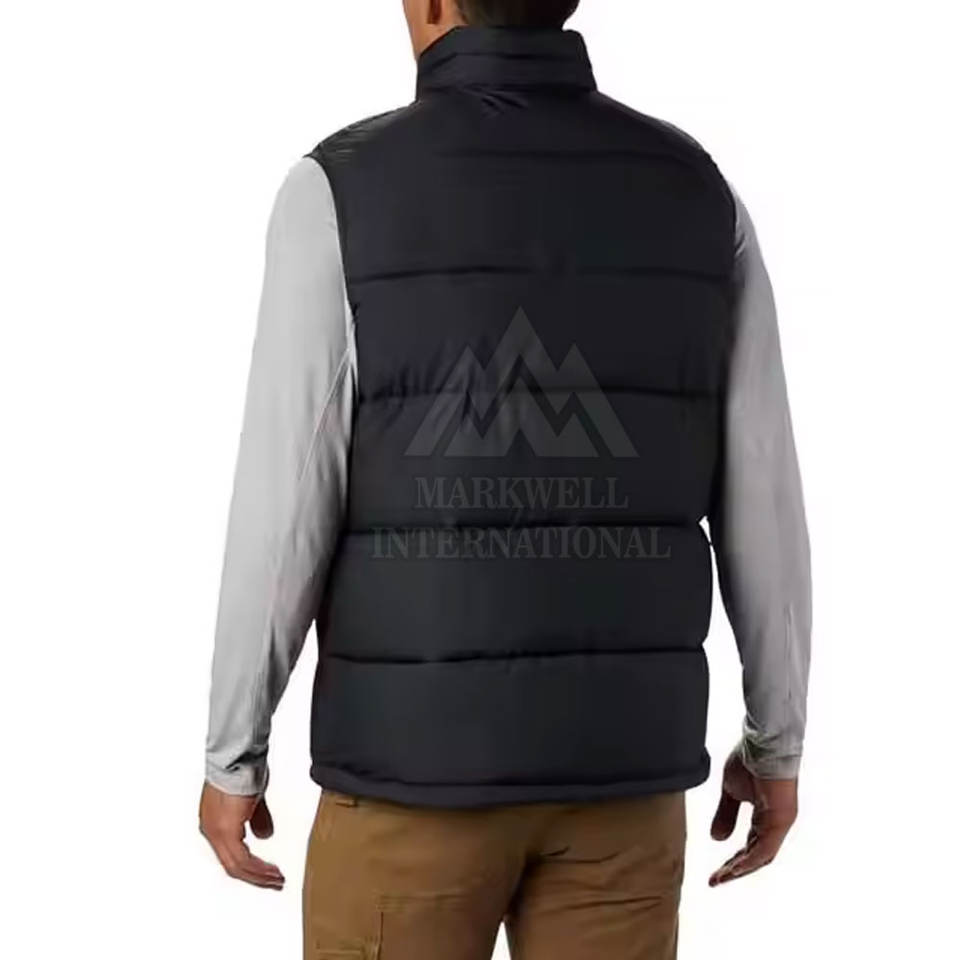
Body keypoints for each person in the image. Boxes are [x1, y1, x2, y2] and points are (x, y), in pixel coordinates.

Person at [199, 1, 811, 957]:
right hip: (624, 784)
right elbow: (765, 498)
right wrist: (778, 743)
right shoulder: (698, 193)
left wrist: (232, 753)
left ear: (434, 3)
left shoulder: (340, 192)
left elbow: (284, 504)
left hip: (408, 784)